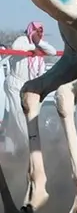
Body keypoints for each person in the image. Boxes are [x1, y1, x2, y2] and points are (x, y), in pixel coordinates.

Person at [2, 22, 57, 154]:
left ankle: (11, 151)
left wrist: (39, 44)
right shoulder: (22, 40)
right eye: (37, 31)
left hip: (28, 86)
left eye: (41, 31)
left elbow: (53, 52)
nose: (39, 34)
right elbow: (16, 47)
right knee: (20, 115)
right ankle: (31, 148)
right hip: (15, 84)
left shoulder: (41, 45)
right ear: (30, 31)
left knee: (15, 121)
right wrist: (32, 48)